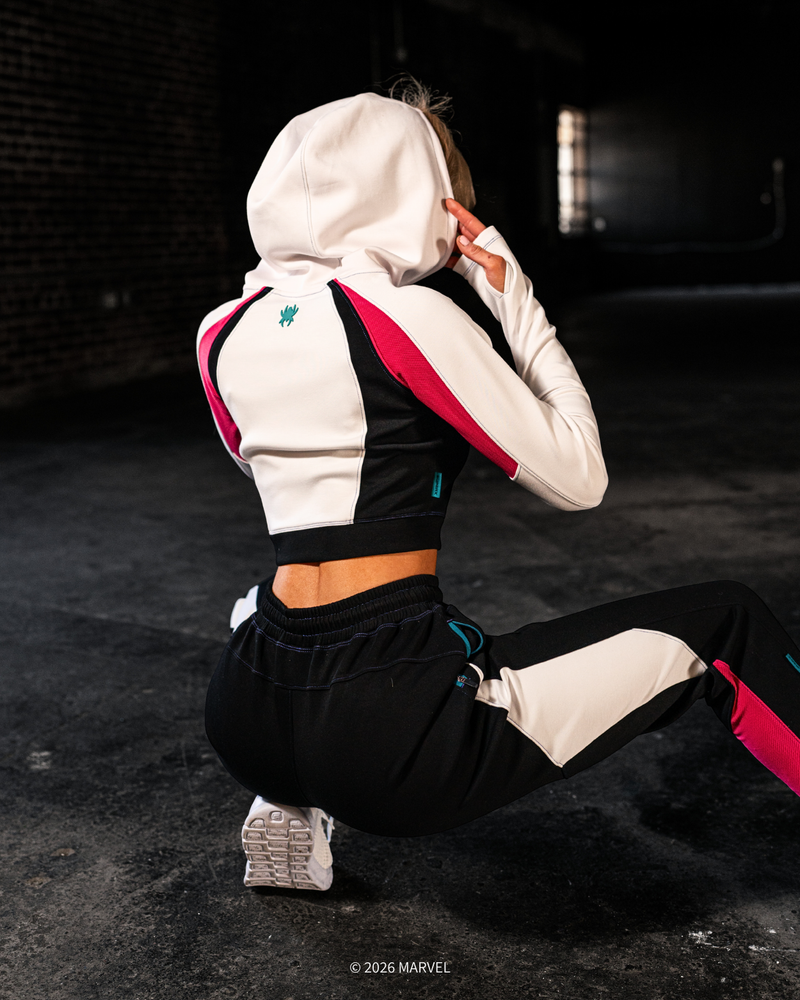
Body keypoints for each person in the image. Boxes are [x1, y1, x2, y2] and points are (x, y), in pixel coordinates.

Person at [197, 80, 800, 892]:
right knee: (724, 621)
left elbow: (271, 474)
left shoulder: (221, 330)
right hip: (391, 736)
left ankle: (289, 792)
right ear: (417, 193)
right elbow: (580, 477)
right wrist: (511, 297)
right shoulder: (406, 316)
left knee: (278, 597)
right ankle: (329, 765)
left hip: (244, 711)